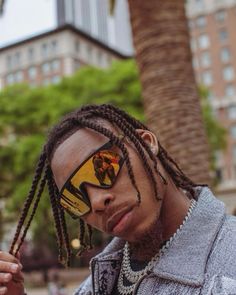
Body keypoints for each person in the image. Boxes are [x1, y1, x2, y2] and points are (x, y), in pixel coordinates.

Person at [0, 104, 236, 295]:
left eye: (103, 167)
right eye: (75, 198)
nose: (96, 202)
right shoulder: (95, 283)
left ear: (146, 142)